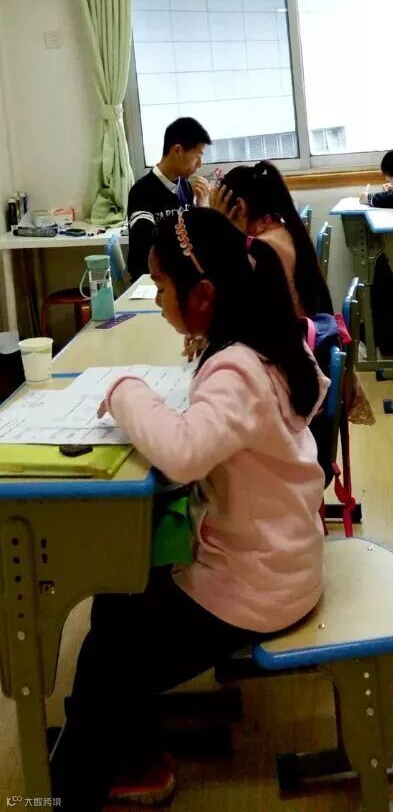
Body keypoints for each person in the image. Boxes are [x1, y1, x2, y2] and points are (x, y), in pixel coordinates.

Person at [51, 208, 329, 812]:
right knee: (118, 594)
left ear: (202, 295)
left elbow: (181, 455)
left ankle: (83, 783)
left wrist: (125, 391)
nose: (156, 300)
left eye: (160, 287)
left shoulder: (236, 368)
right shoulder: (265, 341)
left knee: (108, 649)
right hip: (280, 557)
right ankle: (126, 745)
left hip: (259, 585)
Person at [210, 160, 333, 317]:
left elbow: (227, 304)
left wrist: (220, 228)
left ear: (240, 206)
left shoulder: (259, 248)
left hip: (286, 331)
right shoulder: (283, 230)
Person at [127, 116, 212, 281]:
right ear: (178, 150)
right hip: (151, 280)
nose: (200, 164)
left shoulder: (185, 187)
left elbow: (192, 242)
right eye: (197, 156)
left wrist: (201, 209)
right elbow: (143, 254)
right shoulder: (141, 192)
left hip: (178, 279)